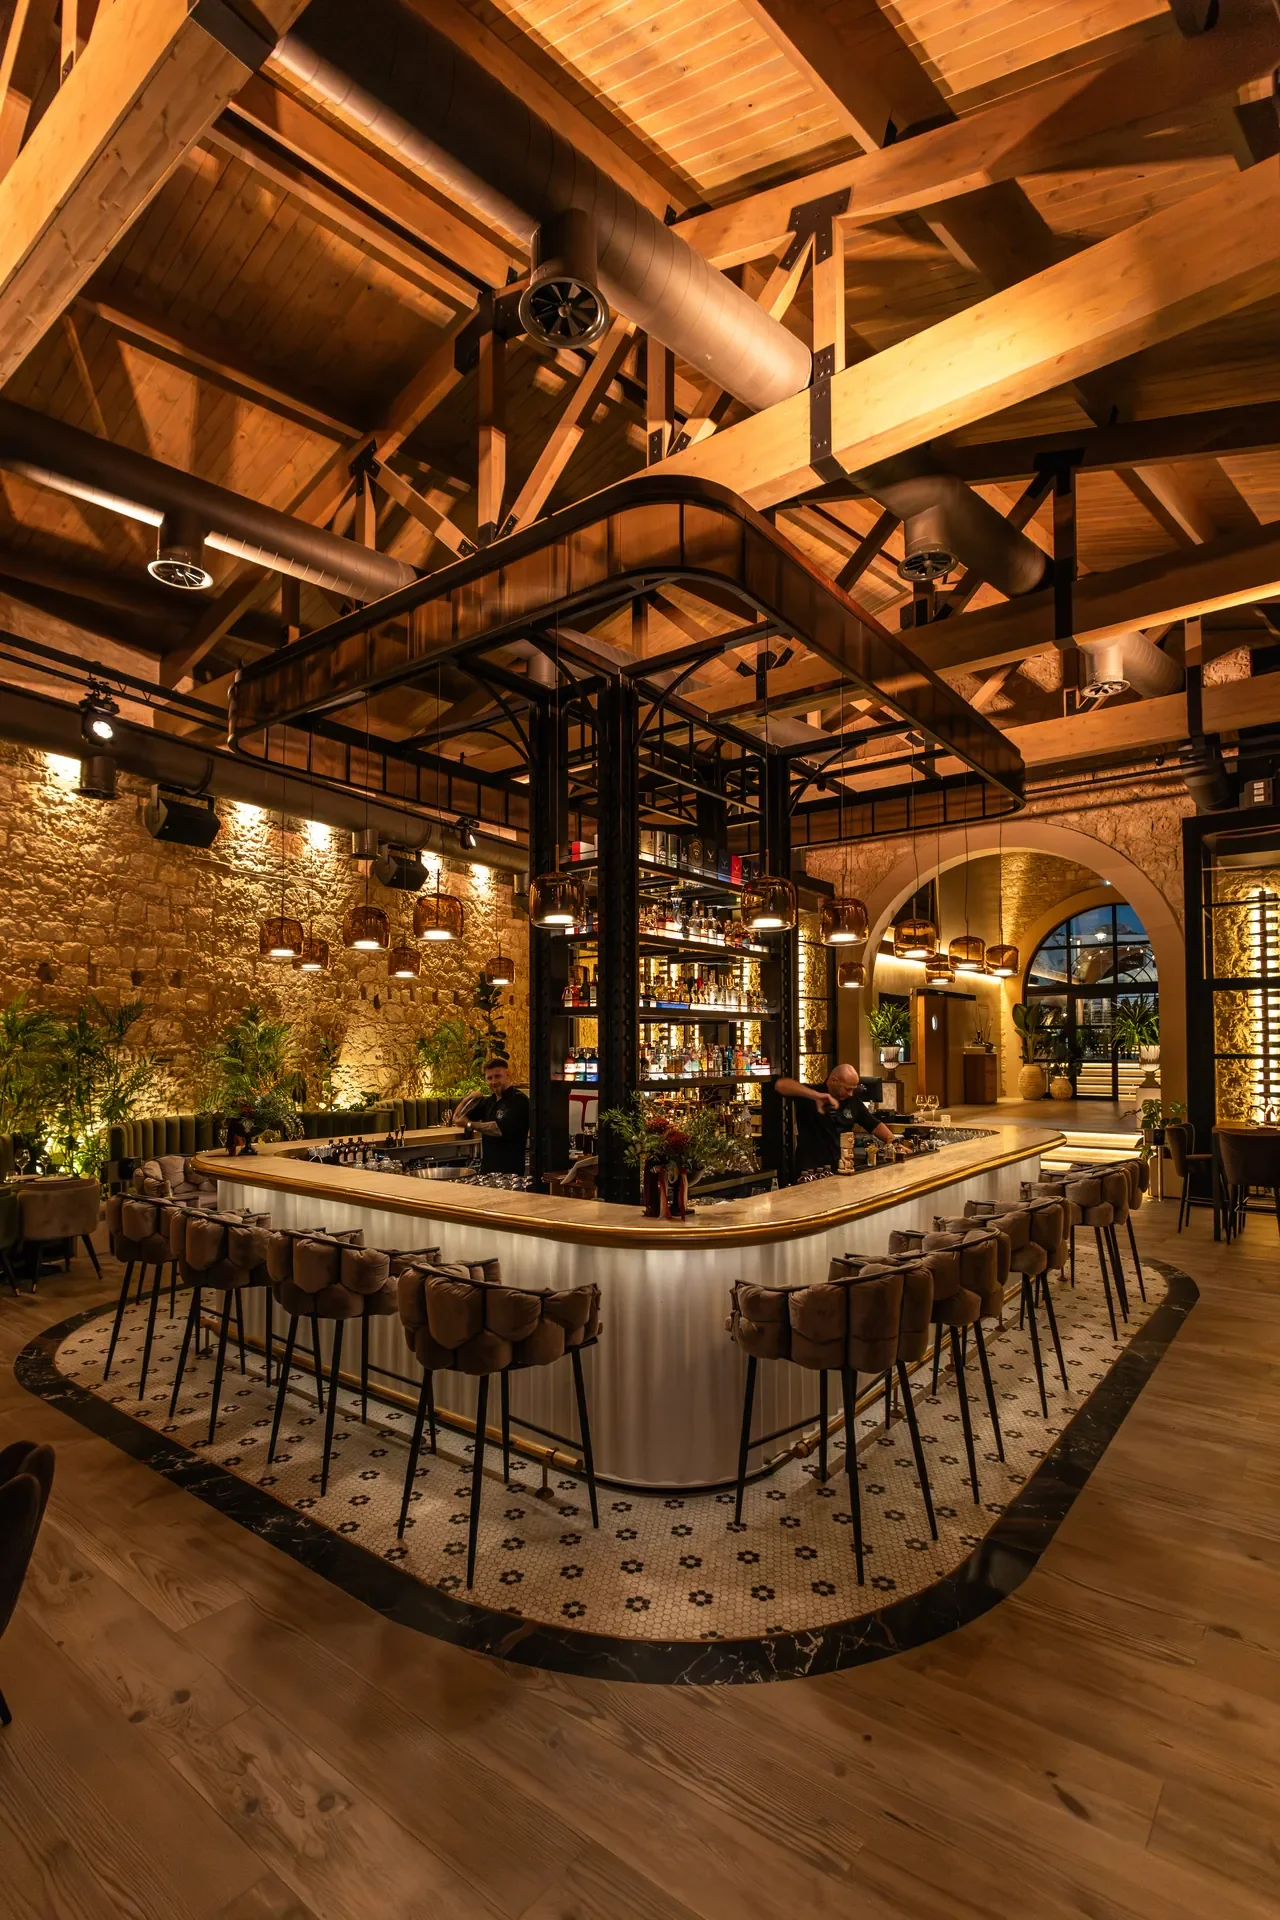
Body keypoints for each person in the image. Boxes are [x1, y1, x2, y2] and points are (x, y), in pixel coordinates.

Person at [773, 1064, 902, 1178]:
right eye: (847, 1089)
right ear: (834, 1081)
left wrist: (896, 1143)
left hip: (842, 1168)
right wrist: (817, 1096)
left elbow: (874, 1124)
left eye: (853, 1089)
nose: (851, 1093)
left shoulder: (852, 1102)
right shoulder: (812, 1094)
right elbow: (781, 1085)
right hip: (811, 1170)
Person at [455, 1059, 529, 1176]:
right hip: (488, 1171)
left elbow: (497, 1129)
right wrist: (469, 1098)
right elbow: (457, 1118)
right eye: (489, 1078)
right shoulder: (490, 1101)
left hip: (510, 1173)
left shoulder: (518, 1100)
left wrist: (470, 1124)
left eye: (497, 1076)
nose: (493, 1081)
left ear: (508, 1075)